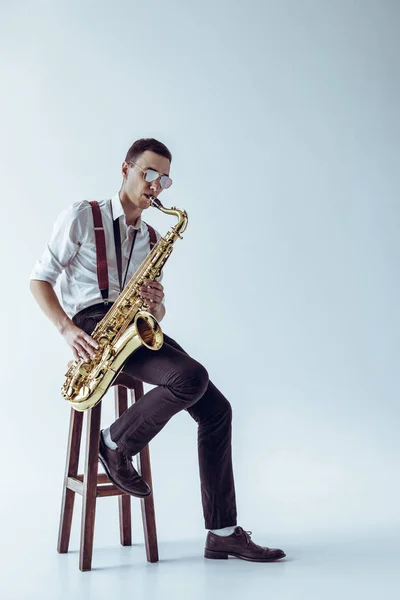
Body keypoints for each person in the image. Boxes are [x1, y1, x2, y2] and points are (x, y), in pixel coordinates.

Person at [30, 137, 286, 562]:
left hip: (133, 326)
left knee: (217, 409)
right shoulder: (83, 215)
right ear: (125, 168)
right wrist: (65, 328)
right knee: (191, 377)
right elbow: (39, 279)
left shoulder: (150, 235)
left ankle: (221, 531)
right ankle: (113, 443)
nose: (156, 185)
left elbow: (157, 312)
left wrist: (156, 302)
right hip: (95, 325)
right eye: (149, 173)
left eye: (164, 179)